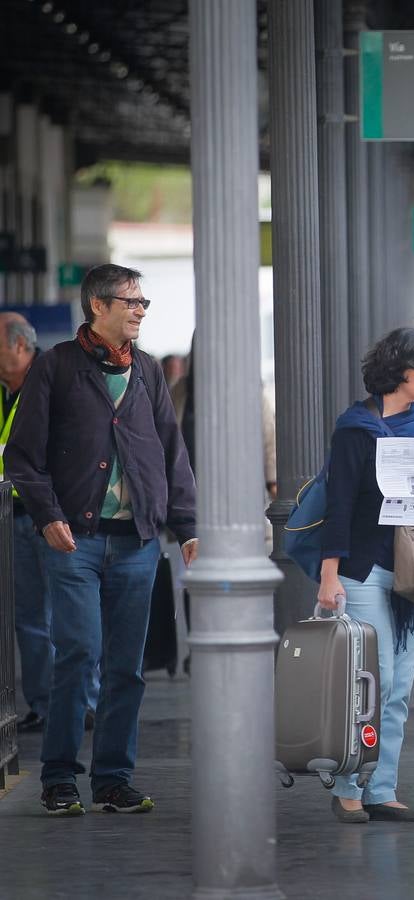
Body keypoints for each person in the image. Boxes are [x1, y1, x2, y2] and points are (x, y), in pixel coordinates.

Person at [4, 263, 198, 817]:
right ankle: (60, 778)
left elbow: (171, 451)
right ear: (98, 306)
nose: (140, 310)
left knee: (125, 667)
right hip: (75, 542)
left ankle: (113, 779)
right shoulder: (56, 368)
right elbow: (22, 456)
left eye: (143, 303)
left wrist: (186, 527)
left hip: (137, 542)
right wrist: (46, 516)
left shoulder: (148, 372)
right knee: (79, 655)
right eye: (131, 302)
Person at [318, 327, 414, 824]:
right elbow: (338, 506)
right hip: (362, 569)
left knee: (398, 688)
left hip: (412, 572)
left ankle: (382, 789)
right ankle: (347, 785)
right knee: (367, 684)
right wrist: (329, 575)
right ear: (401, 371)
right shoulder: (356, 427)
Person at [0, 312, 54, 734]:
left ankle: (78, 702)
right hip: (12, 517)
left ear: (20, 346)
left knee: (64, 613)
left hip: (47, 517)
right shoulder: (4, 391)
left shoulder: (49, 382)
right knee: (30, 618)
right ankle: (43, 703)